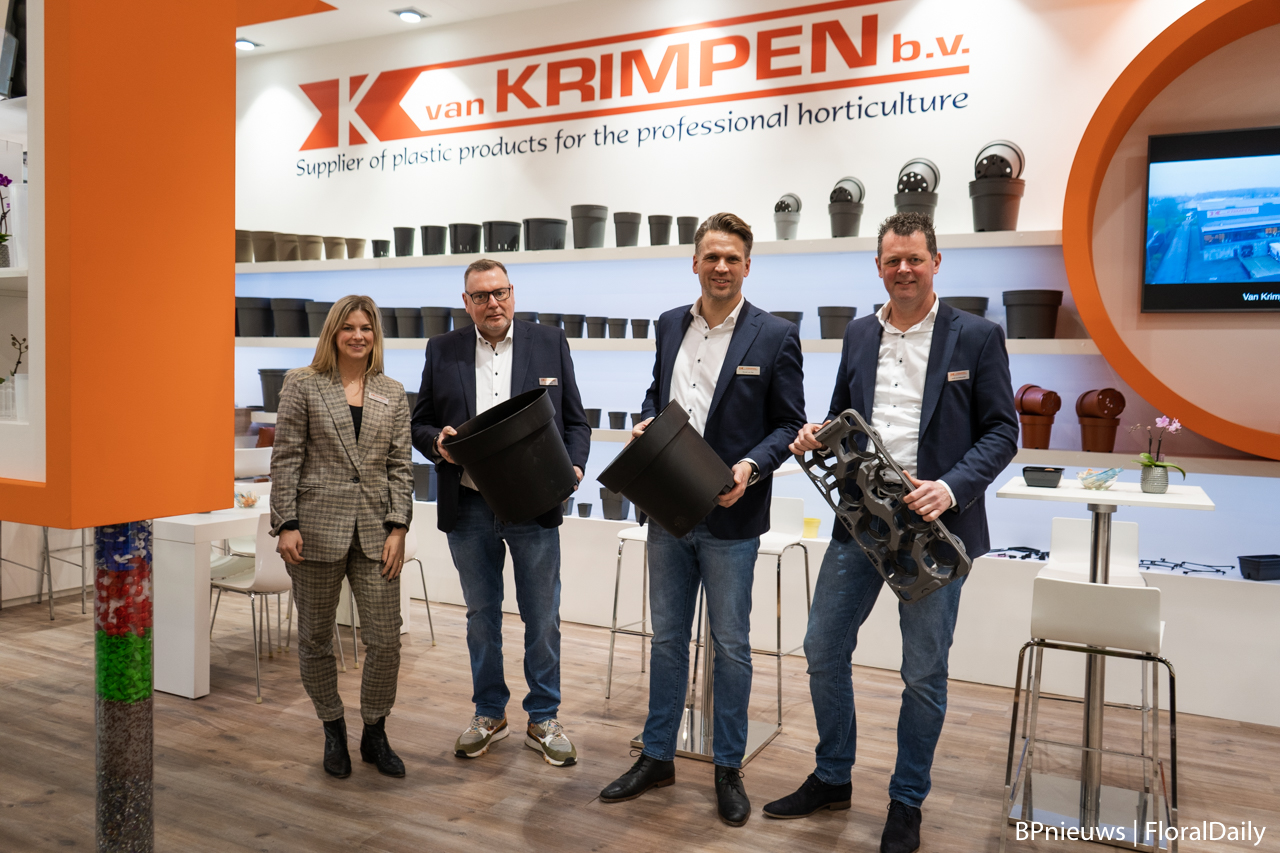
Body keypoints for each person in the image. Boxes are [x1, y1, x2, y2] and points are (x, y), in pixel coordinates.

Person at [764, 212, 1018, 853]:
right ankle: (832, 775)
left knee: (923, 673)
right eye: (892, 260)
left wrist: (951, 486)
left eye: (914, 258)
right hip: (861, 520)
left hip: (934, 528)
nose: (904, 269)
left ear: (936, 263)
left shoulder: (977, 336)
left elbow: (1002, 431)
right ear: (878, 267)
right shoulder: (858, 333)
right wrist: (815, 434)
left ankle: (907, 802)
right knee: (822, 648)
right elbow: (841, 413)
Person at [599, 212, 806, 827]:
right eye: (711, 256)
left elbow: (790, 424)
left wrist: (750, 467)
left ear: (748, 266)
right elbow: (656, 394)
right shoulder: (670, 324)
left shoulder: (775, 335)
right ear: (694, 262)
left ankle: (727, 766)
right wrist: (645, 422)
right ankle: (657, 755)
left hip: (729, 514)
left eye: (732, 258)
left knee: (731, 646)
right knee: (666, 639)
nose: (721, 267)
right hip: (667, 508)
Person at [411, 258, 590, 767]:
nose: (493, 303)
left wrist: (574, 467)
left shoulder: (549, 341)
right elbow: (420, 422)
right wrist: (437, 442)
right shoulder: (442, 349)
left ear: (513, 293)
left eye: (501, 292)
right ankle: (489, 712)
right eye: (481, 296)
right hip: (469, 504)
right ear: (465, 302)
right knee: (481, 616)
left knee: (542, 615)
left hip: (534, 504)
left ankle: (544, 716)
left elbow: (576, 421)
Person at [270, 294, 414, 779]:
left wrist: (399, 526)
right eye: (348, 327)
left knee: (385, 641)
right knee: (314, 639)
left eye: (366, 328)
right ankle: (333, 730)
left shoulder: (392, 391)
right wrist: (285, 523)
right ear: (333, 332)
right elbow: (286, 457)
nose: (358, 336)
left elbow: (400, 466)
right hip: (314, 531)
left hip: (376, 533)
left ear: (376, 336)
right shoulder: (303, 383)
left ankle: (375, 730)